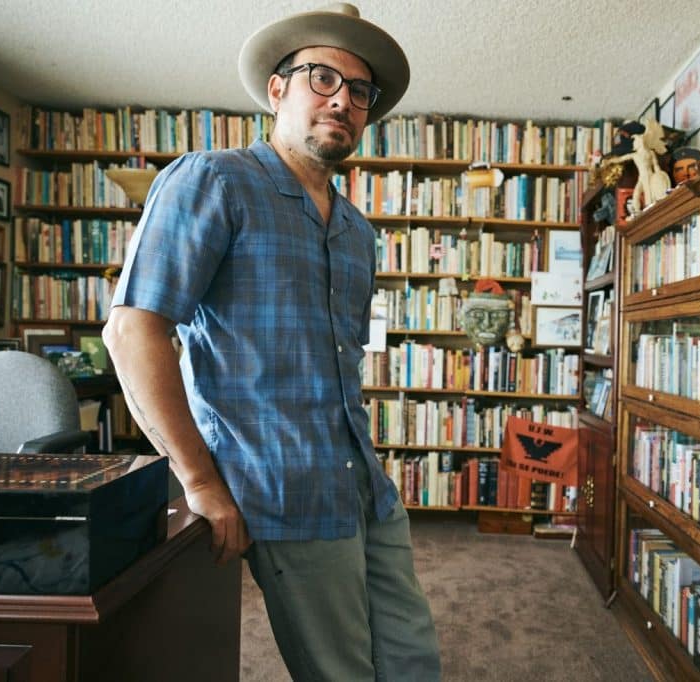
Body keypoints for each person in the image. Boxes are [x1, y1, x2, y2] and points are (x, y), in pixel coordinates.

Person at [101, 4, 440, 681]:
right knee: (341, 672)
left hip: (364, 485)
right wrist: (198, 479)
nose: (342, 99)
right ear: (278, 88)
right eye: (322, 77)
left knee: (411, 659)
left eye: (360, 91)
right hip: (282, 489)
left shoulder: (357, 230)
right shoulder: (214, 181)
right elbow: (133, 329)